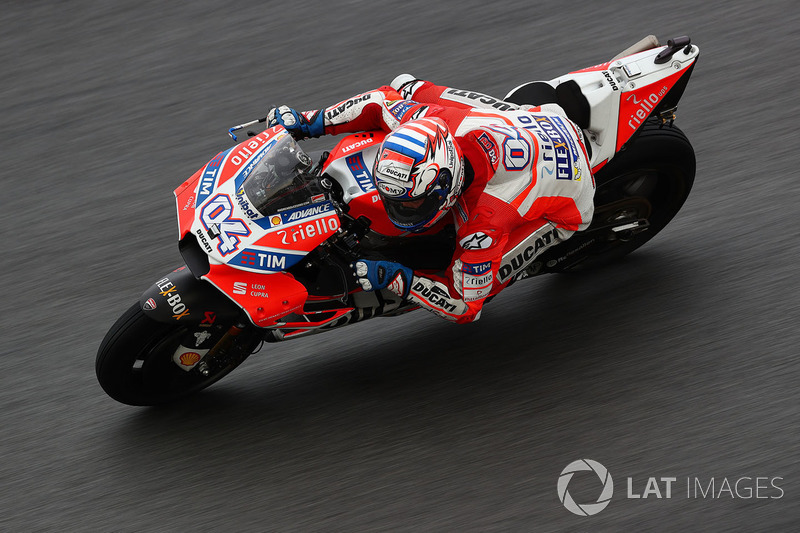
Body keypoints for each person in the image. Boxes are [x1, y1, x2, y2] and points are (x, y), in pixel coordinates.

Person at [267, 75, 595, 323]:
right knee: (405, 85)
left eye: (409, 204)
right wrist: (308, 123)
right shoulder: (433, 120)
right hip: (530, 121)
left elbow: (465, 307)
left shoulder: (485, 221)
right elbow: (380, 102)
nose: (400, 209)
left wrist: (397, 278)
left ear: (445, 186)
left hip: (570, 199)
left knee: (481, 285)